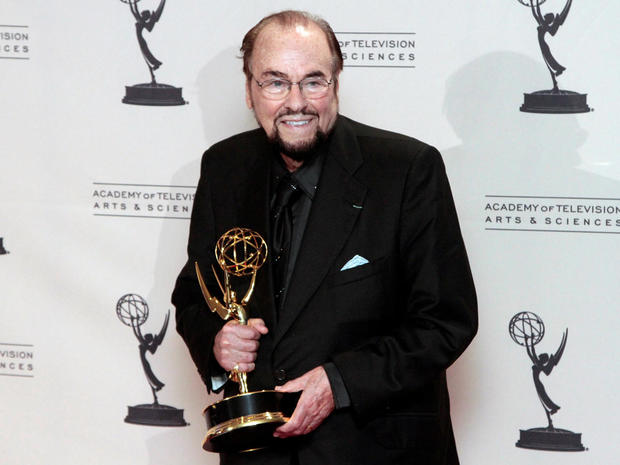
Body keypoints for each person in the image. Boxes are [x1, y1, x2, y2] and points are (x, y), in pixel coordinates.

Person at [172, 10, 477, 465]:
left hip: (375, 451)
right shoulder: (224, 167)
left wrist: (339, 383)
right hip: (261, 454)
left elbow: (444, 322)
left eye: (313, 81)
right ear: (249, 91)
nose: (297, 102)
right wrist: (218, 346)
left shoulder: (406, 170)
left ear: (336, 83)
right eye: (275, 83)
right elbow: (194, 296)